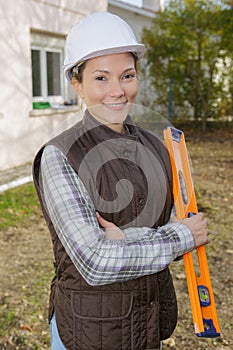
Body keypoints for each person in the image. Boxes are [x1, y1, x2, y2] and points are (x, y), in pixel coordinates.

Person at [32, 12, 209, 350]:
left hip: (146, 324)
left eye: (127, 76)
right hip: (88, 331)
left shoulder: (155, 146)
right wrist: (178, 238)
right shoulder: (60, 155)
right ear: (77, 83)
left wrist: (125, 238)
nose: (117, 91)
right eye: (101, 78)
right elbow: (96, 263)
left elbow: (178, 219)